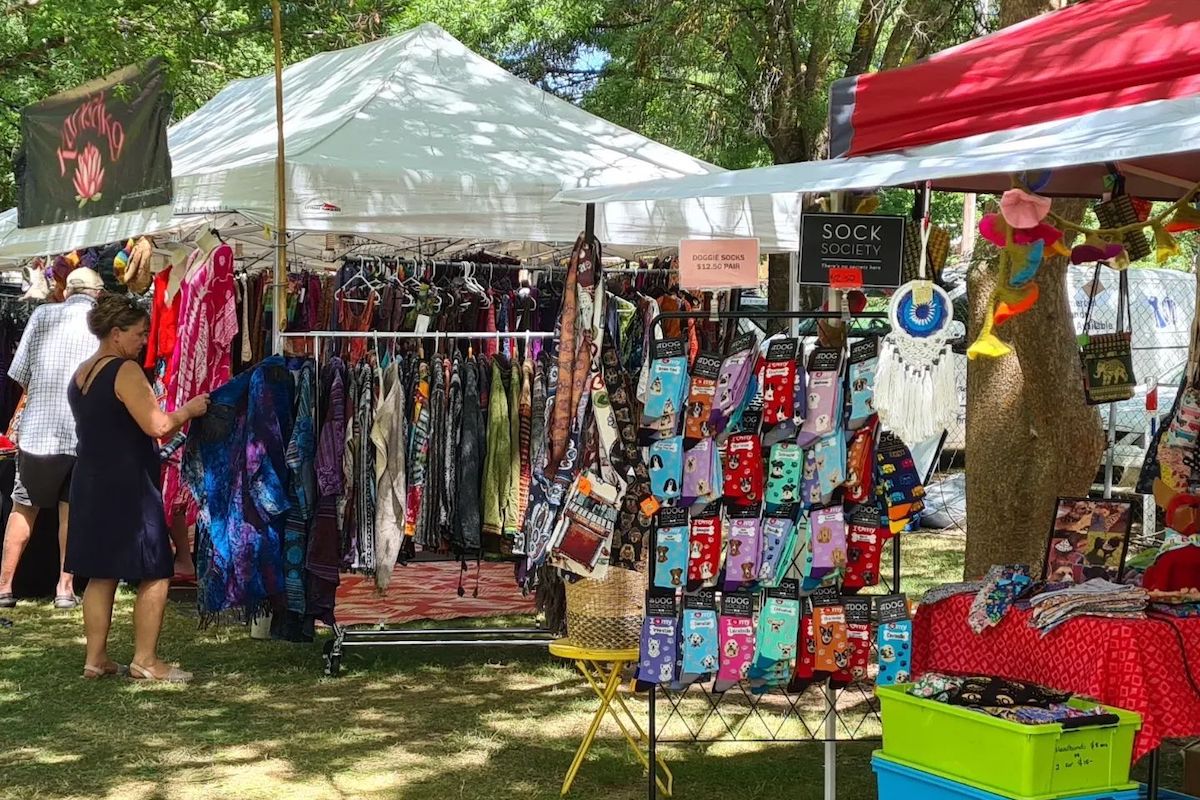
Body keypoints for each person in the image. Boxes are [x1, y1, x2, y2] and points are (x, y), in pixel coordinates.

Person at [65, 295, 209, 681]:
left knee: (101, 571)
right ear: (116, 334)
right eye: (139, 334)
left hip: (91, 480)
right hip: (126, 482)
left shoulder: (82, 373)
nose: (144, 340)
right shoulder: (125, 371)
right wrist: (189, 410)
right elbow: (158, 426)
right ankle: (146, 660)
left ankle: (95, 659)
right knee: (156, 569)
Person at [0, 267, 103, 610]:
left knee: (23, 507)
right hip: (81, 431)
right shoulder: (101, 323)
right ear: (97, 293)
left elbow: (19, 374)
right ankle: (64, 588)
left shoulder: (43, 314)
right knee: (69, 512)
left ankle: (4, 587)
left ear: (66, 290)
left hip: (38, 431)